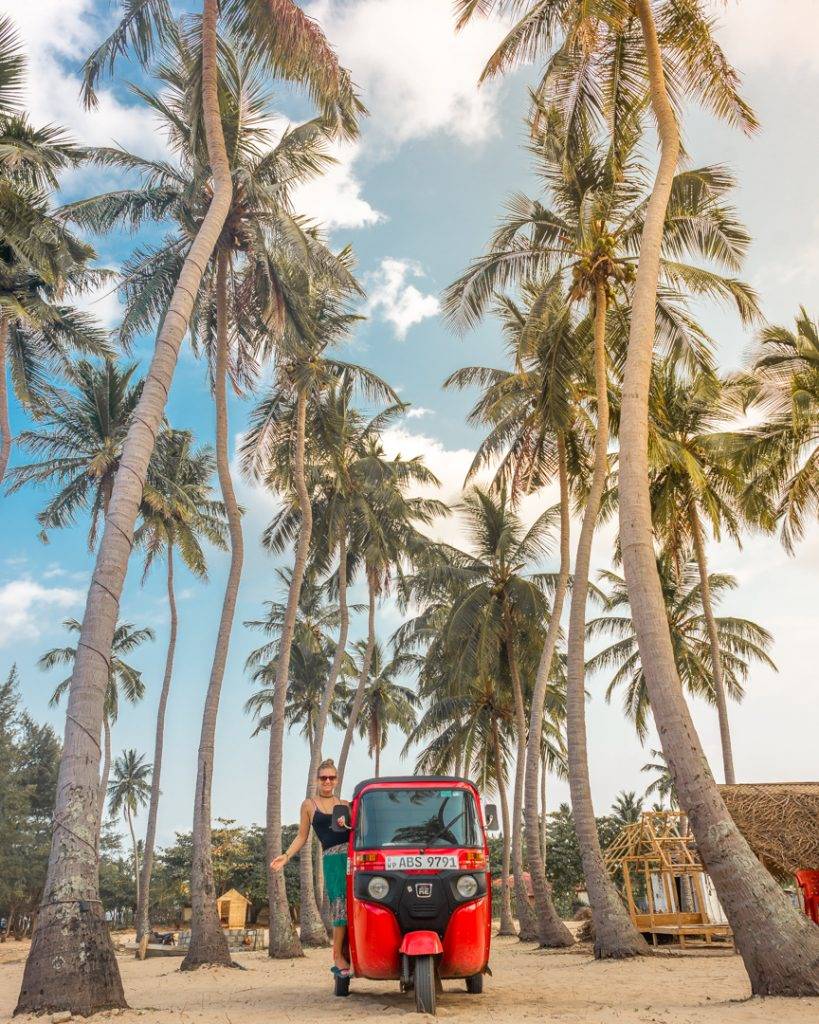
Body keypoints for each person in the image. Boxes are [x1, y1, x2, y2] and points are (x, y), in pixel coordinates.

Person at [270, 758, 351, 975]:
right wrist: (286, 856)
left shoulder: (345, 804)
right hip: (333, 860)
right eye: (323, 777)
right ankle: (337, 955)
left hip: (353, 858)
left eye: (331, 777)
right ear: (317, 780)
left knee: (357, 904)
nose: (327, 781)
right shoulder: (309, 805)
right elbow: (302, 836)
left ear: (336, 779)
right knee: (339, 906)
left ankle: (353, 950)